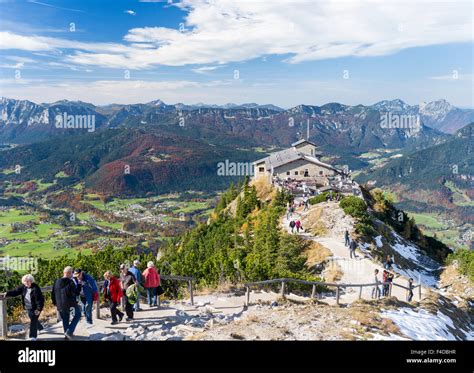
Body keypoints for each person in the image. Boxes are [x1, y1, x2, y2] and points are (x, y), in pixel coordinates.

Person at [2, 274, 44, 340]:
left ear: (31, 281)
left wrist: (39, 309)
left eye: (28, 281)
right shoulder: (23, 287)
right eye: (25, 281)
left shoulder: (35, 288)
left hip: (35, 307)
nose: (26, 283)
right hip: (28, 307)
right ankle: (40, 328)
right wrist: (7, 293)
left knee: (33, 320)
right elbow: (16, 291)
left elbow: (40, 300)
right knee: (33, 318)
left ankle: (33, 336)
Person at [52, 266, 82, 339]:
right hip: (70, 305)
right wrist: (80, 284)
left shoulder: (56, 281)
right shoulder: (70, 282)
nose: (72, 275)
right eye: (71, 273)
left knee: (65, 320)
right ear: (69, 273)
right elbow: (76, 293)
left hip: (60, 305)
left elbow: (53, 293)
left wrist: (55, 303)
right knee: (78, 315)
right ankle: (69, 331)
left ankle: (67, 336)